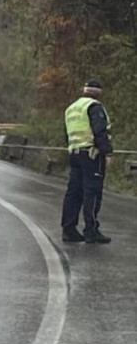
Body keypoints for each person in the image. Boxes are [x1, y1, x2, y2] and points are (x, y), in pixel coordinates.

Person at [61, 79, 113, 244]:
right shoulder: (94, 107)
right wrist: (107, 153)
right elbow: (100, 131)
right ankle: (91, 230)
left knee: (74, 192)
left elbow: (67, 134)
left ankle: (69, 229)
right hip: (92, 155)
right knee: (93, 191)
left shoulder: (71, 108)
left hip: (75, 153)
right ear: (98, 92)